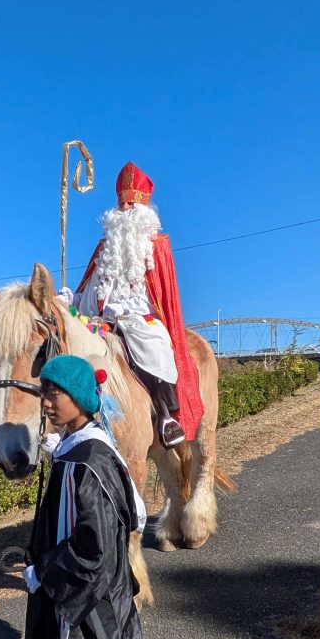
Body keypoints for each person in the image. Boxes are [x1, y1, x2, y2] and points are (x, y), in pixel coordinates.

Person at [21, 354, 154, 639]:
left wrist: (43, 574)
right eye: (43, 392)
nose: (45, 402)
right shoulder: (84, 448)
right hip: (98, 594)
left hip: (85, 598)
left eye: (53, 393)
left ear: (78, 397)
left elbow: (92, 550)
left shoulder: (87, 461)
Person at [66, 162, 202, 449]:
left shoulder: (157, 245)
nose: (125, 209)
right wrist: (72, 300)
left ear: (144, 208)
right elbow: (89, 288)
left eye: (131, 203)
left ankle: (166, 416)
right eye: (121, 204)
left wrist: (124, 311)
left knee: (154, 347)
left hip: (138, 320)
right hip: (98, 324)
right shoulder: (104, 249)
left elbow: (160, 295)